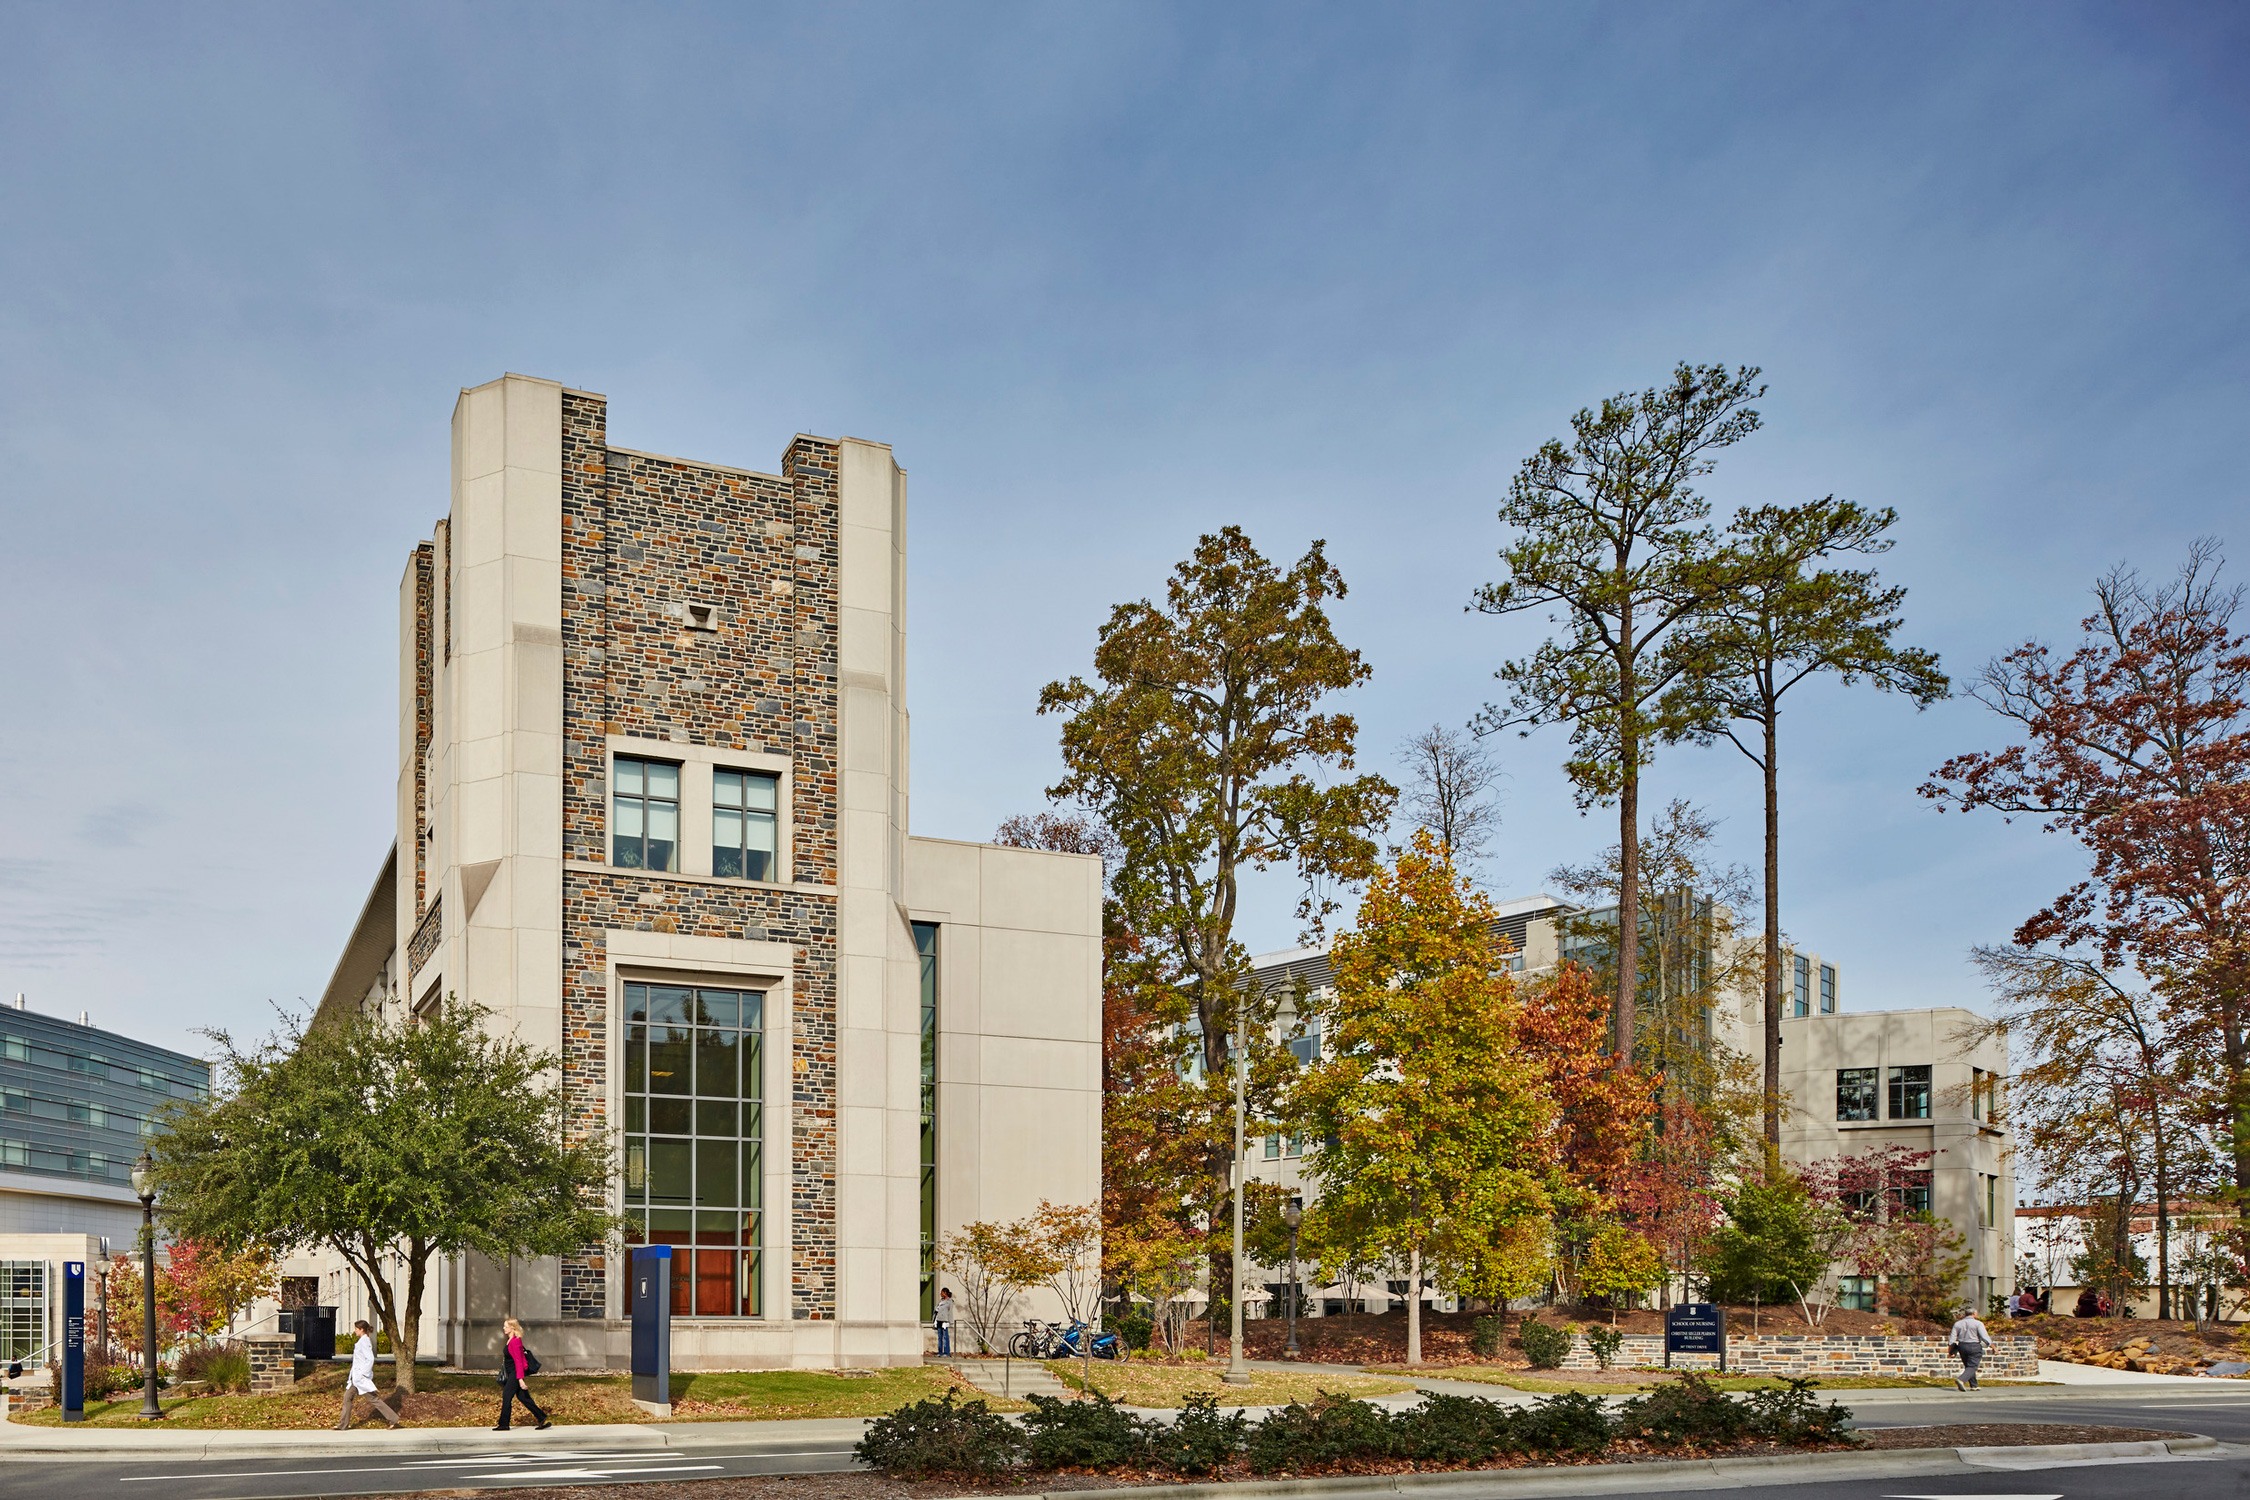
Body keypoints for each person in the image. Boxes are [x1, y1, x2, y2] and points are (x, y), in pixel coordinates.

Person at [336, 1318, 403, 1430]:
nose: (355, 1331)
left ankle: (393, 1418)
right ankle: (343, 1424)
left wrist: (363, 1374)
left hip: (361, 1379)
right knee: (347, 1397)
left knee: (373, 1399)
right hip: (356, 1378)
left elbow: (370, 1359)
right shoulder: (362, 1341)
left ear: (361, 1330)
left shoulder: (365, 1342)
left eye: (356, 1329)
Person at [494, 1315, 551, 1431]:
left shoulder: (516, 1341)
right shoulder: (510, 1340)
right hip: (511, 1373)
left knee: (507, 1396)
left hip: (515, 1373)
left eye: (505, 1326)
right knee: (523, 1397)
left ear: (512, 1328)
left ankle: (504, 1424)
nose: (503, 1328)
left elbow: (519, 1362)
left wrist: (520, 1379)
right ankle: (541, 1416)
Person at [1949, 1305, 1994, 1391]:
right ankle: (1961, 1379)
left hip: (1962, 1346)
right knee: (1973, 1366)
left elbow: (1952, 1339)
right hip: (1974, 1346)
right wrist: (1993, 1347)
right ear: (1974, 1314)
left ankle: (1974, 1385)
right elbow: (1985, 1337)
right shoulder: (1978, 1323)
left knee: (1968, 1366)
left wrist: (1950, 1351)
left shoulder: (1957, 1324)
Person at [933, 1287, 955, 1356]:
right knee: (940, 1337)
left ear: (945, 1293)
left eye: (942, 1292)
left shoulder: (949, 1301)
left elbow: (950, 1312)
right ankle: (940, 1352)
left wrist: (949, 1321)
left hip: (945, 1320)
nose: (940, 1294)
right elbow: (937, 1310)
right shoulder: (940, 1301)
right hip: (939, 1320)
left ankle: (946, 1352)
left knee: (945, 1336)